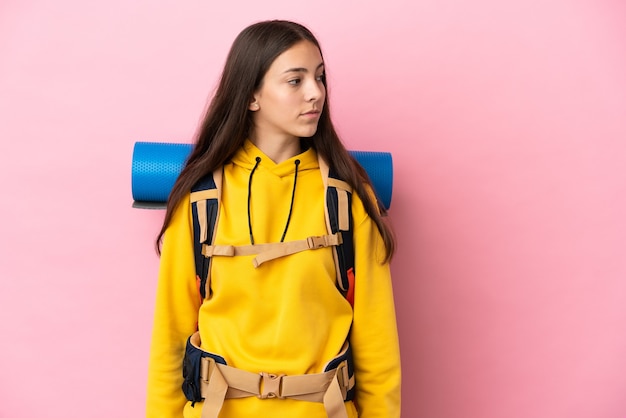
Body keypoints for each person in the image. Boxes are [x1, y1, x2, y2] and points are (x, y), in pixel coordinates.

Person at [146, 20, 401, 418]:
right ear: (251, 96)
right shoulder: (200, 200)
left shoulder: (347, 198)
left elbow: (378, 350)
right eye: (295, 81)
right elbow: (170, 340)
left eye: (319, 78)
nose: (316, 93)